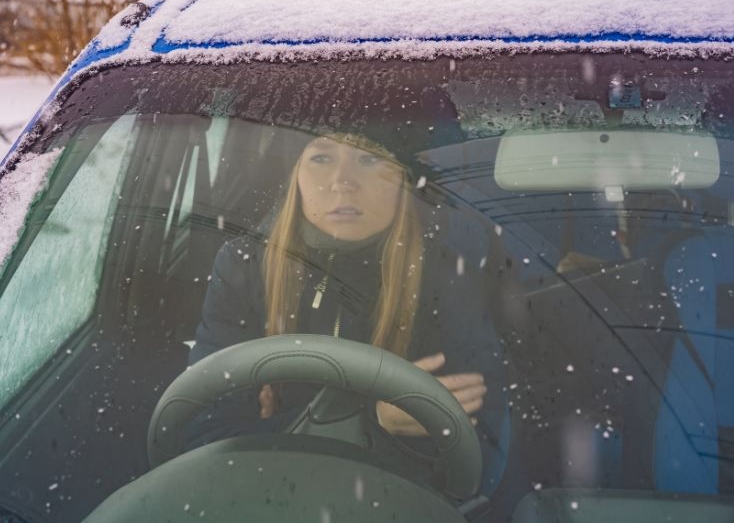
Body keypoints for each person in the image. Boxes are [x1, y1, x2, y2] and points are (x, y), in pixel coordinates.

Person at [189, 85, 509, 495]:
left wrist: (279, 427)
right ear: (296, 174)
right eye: (321, 157)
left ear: (402, 179)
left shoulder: (447, 270)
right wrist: (369, 422)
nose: (343, 182)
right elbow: (205, 439)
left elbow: (481, 451)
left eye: (369, 157)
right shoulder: (244, 267)